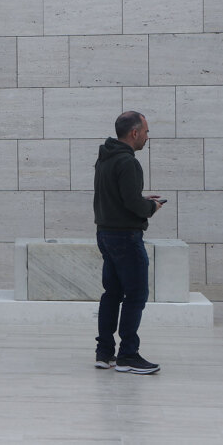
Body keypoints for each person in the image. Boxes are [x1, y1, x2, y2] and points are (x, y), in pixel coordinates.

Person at [93, 111, 163, 375]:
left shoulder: (105, 159)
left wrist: (141, 199)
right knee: (136, 295)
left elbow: (118, 197)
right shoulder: (128, 163)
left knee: (111, 294)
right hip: (125, 236)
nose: (147, 136)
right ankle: (128, 356)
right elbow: (133, 205)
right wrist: (151, 206)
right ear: (134, 133)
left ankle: (104, 353)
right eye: (145, 131)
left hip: (106, 234)